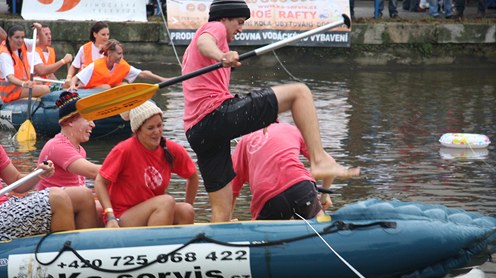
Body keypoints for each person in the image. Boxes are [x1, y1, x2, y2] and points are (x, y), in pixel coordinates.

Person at [181, 0, 360, 222]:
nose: (241, 28)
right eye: (239, 22)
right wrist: (221, 55)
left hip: (198, 132)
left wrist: (257, 119)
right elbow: (205, 42)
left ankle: (222, 242)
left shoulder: (190, 52)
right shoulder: (214, 28)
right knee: (300, 93)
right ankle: (319, 159)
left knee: (222, 212)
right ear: (224, 18)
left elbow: (207, 83)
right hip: (215, 116)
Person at [0, 94, 98, 240]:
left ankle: (92, 247)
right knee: (57, 197)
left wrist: (39, 173)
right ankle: (68, 253)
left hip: (4, 208)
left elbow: (16, 182)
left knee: (83, 194)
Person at [95, 100, 198, 228]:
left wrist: (189, 203)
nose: (157, 131)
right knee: (166, 201)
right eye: (150, 128)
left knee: (186, 210)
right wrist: (110, 216)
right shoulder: (123, 150)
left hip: (154, 211)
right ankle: (154, 243)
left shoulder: (171, 149)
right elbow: (100, 182)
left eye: (159, 125)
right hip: (121, 217)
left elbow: (193, 176)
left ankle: (177, 245)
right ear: (138, 130)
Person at [232, 122, 333, 220]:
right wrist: (324, 195)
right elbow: (329, 163)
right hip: (301, 187)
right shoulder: (291, 129)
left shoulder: (244, 141)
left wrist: (226, 221)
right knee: (320, 225)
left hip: (269, 198)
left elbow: (231, 188)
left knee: (262, 235)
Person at [37, 91, 99, 190]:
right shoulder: (57, 146)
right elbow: (94, 172)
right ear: (70, 121)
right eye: (87, 119)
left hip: (72, 201)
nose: (93, 124)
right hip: (53, 204)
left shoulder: (80, 150)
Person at [0, 23, 59, 103]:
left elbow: (42, 42)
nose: (20, 40)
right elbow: (10, 78)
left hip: (21, 85)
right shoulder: (4, 55)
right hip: (10, 92)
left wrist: (39, 30)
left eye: (22, 37)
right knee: (45, 89)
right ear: (9, 38)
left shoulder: (23, 44)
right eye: (17, 37)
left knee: (41, 82)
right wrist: (24, 84)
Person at [68, 39, 167, 90]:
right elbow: (75, 78)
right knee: (105, 87)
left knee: (124, 85)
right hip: (89, 91)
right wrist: (72, 85)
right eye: (119, 54)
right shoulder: (95, 65)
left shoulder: (122, 64)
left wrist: (162, 79)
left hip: (109, 91)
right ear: (110, 53)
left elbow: (142, 74)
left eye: (122, 53)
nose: (121, 56)